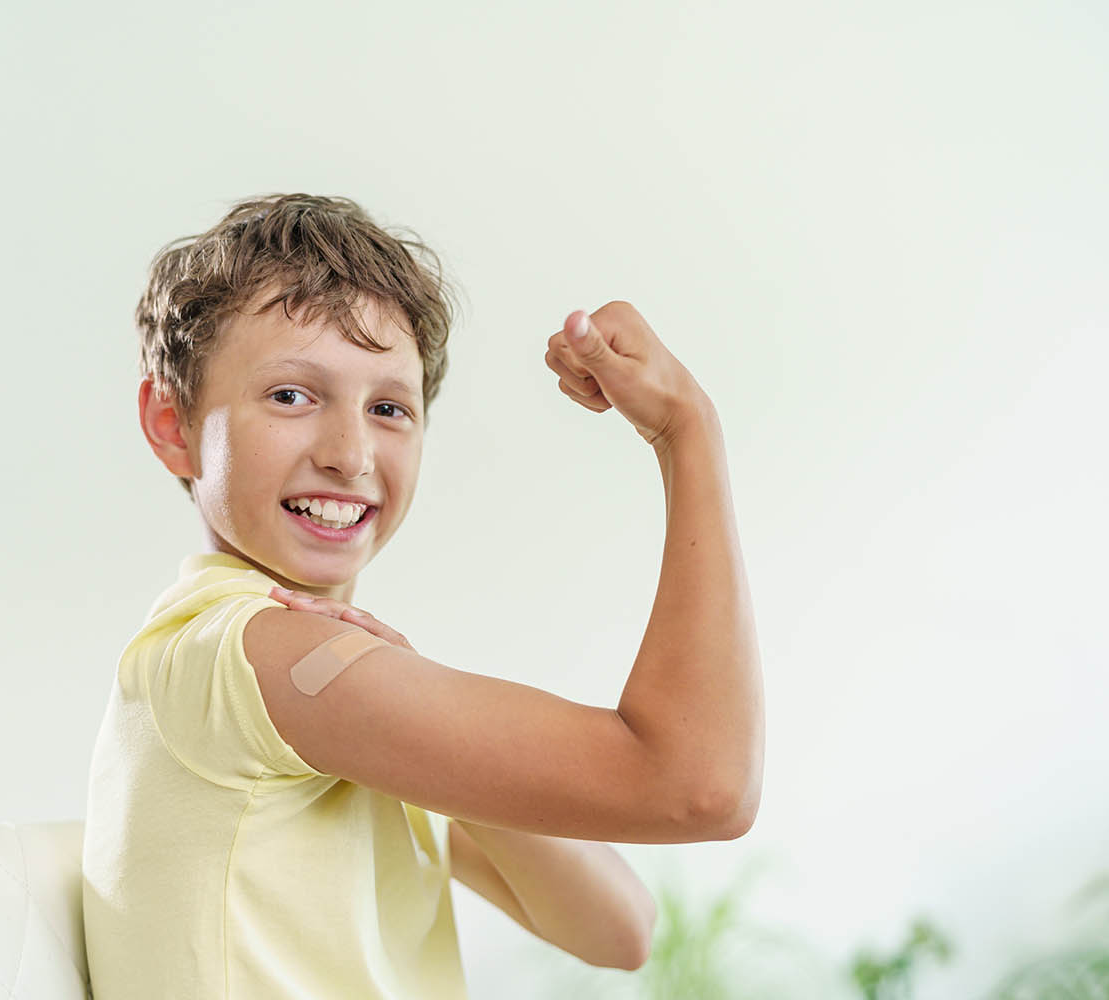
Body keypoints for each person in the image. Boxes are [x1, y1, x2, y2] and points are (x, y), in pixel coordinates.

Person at [81, 192, 764, 999]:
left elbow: (620, 929)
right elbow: (700, 789)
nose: (350, 453)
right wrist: (687, 431)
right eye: (291, 395)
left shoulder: (311, 679)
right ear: (171, 423)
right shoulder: (263, 654)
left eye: (388, 407)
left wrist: (415, 712)